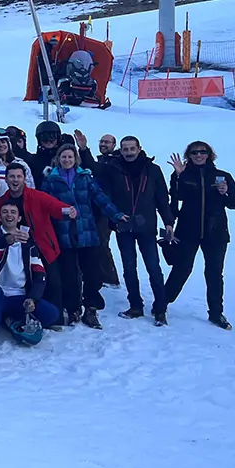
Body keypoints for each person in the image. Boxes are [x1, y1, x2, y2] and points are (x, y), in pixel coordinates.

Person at [39, 144, 128, 328]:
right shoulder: (51, 180)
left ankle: (91, 308)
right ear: (58, 159)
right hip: (65, 233)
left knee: (92, 273)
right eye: (64, 157)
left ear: (75, 159)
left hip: (87, 231)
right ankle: (73, 309)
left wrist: (116, 215)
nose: (67, 160)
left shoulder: (85, 177)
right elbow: (44, 205)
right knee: (70, 274)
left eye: (70, 157)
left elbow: (100, 198)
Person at [164, 141, 235, 329]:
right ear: (188, 155)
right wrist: (179, 176)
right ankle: (162, 302)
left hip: (216, 233)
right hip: (188, 230)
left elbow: (234, 204)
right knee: (182, 268)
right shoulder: (183, 174)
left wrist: (225, 192)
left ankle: (216, 313)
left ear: (209, 154)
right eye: (194, 152)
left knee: (214, 273)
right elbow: (175, 197)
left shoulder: (222, 176)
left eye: (202, 152)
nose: (199, 155)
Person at [100, 136, 175, 326]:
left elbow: (162, 199)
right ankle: (135, 305)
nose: (129, 152)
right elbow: (107, 197)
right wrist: (114, 218)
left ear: (139, 148)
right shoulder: (114, 169)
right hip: (124, 226)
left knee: (154, 268)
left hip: (147, 226)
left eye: (132, 148)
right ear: (121, 150)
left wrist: (168, 222)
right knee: (129, 268)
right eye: (125, 149)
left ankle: (160, 309)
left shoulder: (153, 170)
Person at [0, 162, 77, 321]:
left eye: (19, 176)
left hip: (44, 246)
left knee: (53, 283)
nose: (15, 180)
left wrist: (68, 211)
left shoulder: (36, 196)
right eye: (12, 176)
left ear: (25, 178)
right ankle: (27, 313)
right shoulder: (2, 202)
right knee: (29, 282)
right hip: (18, 249)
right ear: (6, 179)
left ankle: (56, 318)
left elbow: (55, 207)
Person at [0, 201, 60, 335]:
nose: (9, 215)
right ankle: (1, 320)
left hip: (19, 296)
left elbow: (40, 274)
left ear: (19, 218)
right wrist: (10, 239)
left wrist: (33, 298)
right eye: (5, 212)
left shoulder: (28, 243)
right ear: (0, 217)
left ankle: (11, 317)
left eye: (13, 212)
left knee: (52, 314)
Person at [93, 133, 121, 287]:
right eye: (102, 141)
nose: (103, 144)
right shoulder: (103, 160)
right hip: (96, 207)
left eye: (107, 142)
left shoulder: (115, 162)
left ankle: (110, 277)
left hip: (108, 208)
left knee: (102, 242)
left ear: (114, 144)